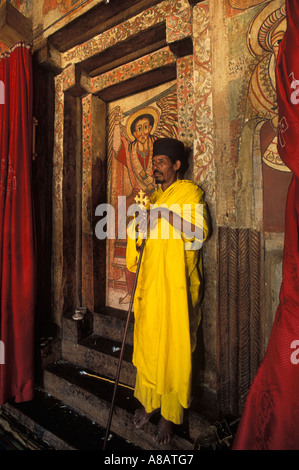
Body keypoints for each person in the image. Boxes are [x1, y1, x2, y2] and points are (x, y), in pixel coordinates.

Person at [126, 137, 210, 445]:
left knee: (173, 351)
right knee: (149, 346)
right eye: (154, 162)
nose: (156, 167)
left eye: (162, 162)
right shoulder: (150, 198)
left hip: (177, 288)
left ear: (177, 165)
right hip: (152, 286)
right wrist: (139, 227)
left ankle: (169, 416)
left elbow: (200, 233)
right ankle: (149, 403)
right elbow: (137, 243)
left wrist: (163, 215)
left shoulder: (190, 194)